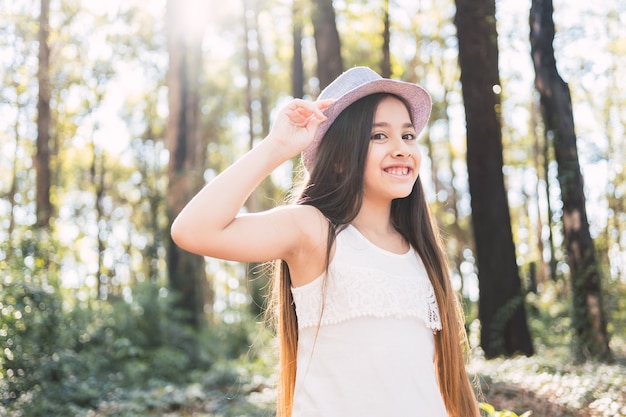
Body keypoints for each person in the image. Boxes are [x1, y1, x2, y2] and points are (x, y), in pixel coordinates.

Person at [171, 66, 480, 417]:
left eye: (408, 136)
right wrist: (276, 147)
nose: (400, 149)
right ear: (338, 160)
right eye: (379, 136)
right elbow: (193, 230)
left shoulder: (423, 253)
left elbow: (436, 378)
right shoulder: (314, 231)